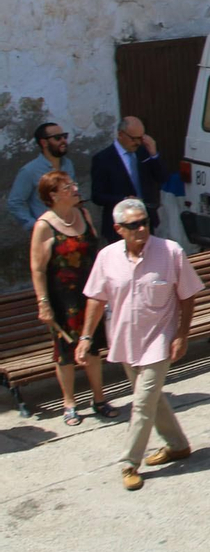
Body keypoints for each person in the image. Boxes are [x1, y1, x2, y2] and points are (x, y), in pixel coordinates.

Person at [77, 199, 203, 492]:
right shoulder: (107, 257)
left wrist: (182, 334)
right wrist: (85, 337)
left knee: (142, 403)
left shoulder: (170, 252)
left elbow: (187, 296)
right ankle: (178, 445)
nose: (142, 229)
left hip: (159, 341)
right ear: (119, 229)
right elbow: (96, 298)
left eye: (145, 222)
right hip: (124, 340)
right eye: (134, 225)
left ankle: (129, 463)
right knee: (153, 398)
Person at [29, 171, 112, 426]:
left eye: (73, 184)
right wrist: (43, 303)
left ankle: (99, 399)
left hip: (89, 294)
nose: (75, 189)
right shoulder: (44, 225)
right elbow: (38, 268)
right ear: (53, 195)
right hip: (62, 299)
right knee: (66, 352)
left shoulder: (83, 215)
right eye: (68, 186)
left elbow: (96, 252)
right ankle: (69, 403)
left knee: (94, 346)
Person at [89, 116, 163, 242]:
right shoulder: (103, 159)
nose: (138, 142)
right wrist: (124, 200)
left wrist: (154, 154)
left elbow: (161, 177)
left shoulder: (143, 152)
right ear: (120, 134)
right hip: (121, 226)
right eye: (134, 138)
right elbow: (97, 196)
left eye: (141, 138)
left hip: (145, 221)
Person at [10, 122, 75, 227]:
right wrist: (34, 225)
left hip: (71, 224)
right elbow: (15, 203)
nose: (63, 141)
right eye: (58, 138)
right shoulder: (29, 170)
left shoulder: (68, 164)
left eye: (65, 136)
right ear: (44, 143)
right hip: (49, 231)